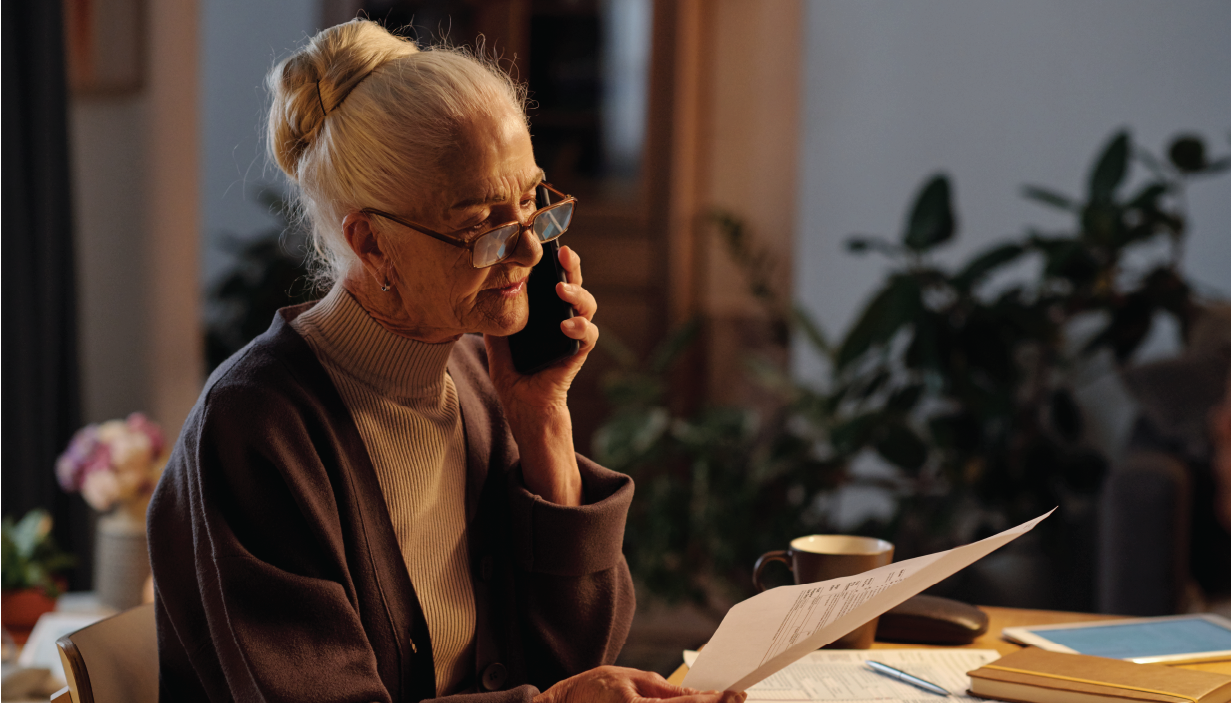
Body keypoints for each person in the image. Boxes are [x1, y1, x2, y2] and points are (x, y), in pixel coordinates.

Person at [147, 19, 743, 703]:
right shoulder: (257, 427)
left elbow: (575, 653)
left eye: (532, 203)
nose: (528, 250)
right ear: (370, 243)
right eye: (485, 225)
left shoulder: (478, 382)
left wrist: (543, 420)